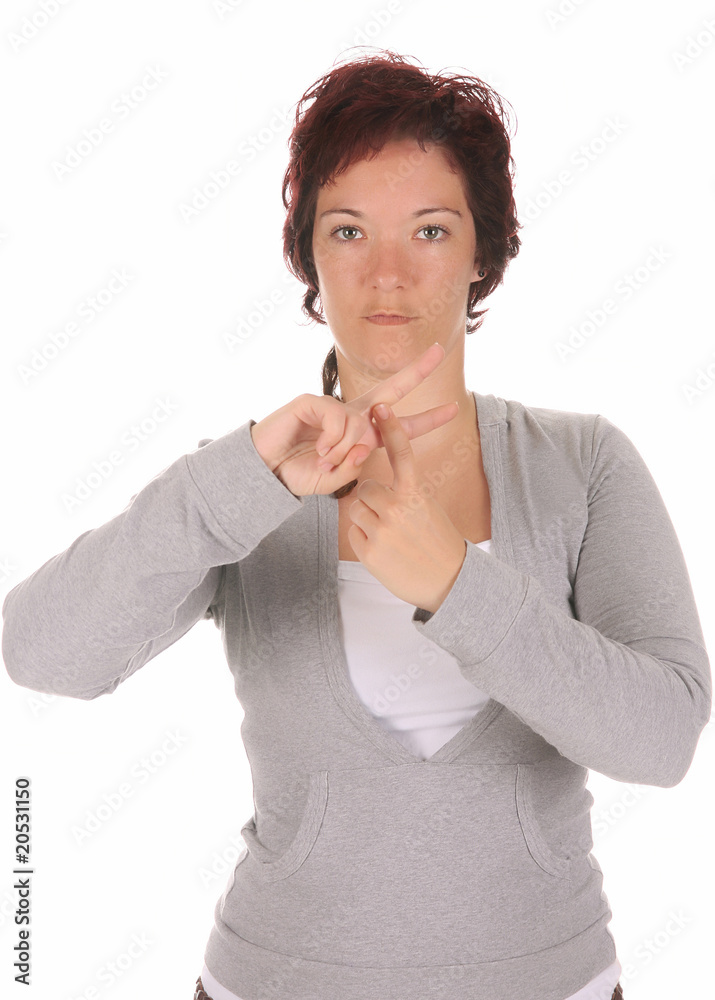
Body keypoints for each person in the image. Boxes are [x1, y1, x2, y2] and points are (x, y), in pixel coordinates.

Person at [2, 49, 710, 1000]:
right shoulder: (245, 483)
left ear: (482, 254)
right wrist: (232, 486)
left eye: (429, 230)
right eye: (347, 231)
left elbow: (662, 741)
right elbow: (41, 655)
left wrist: (455, 583)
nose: (386, 274)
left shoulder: (584, 463)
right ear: (309, 258)